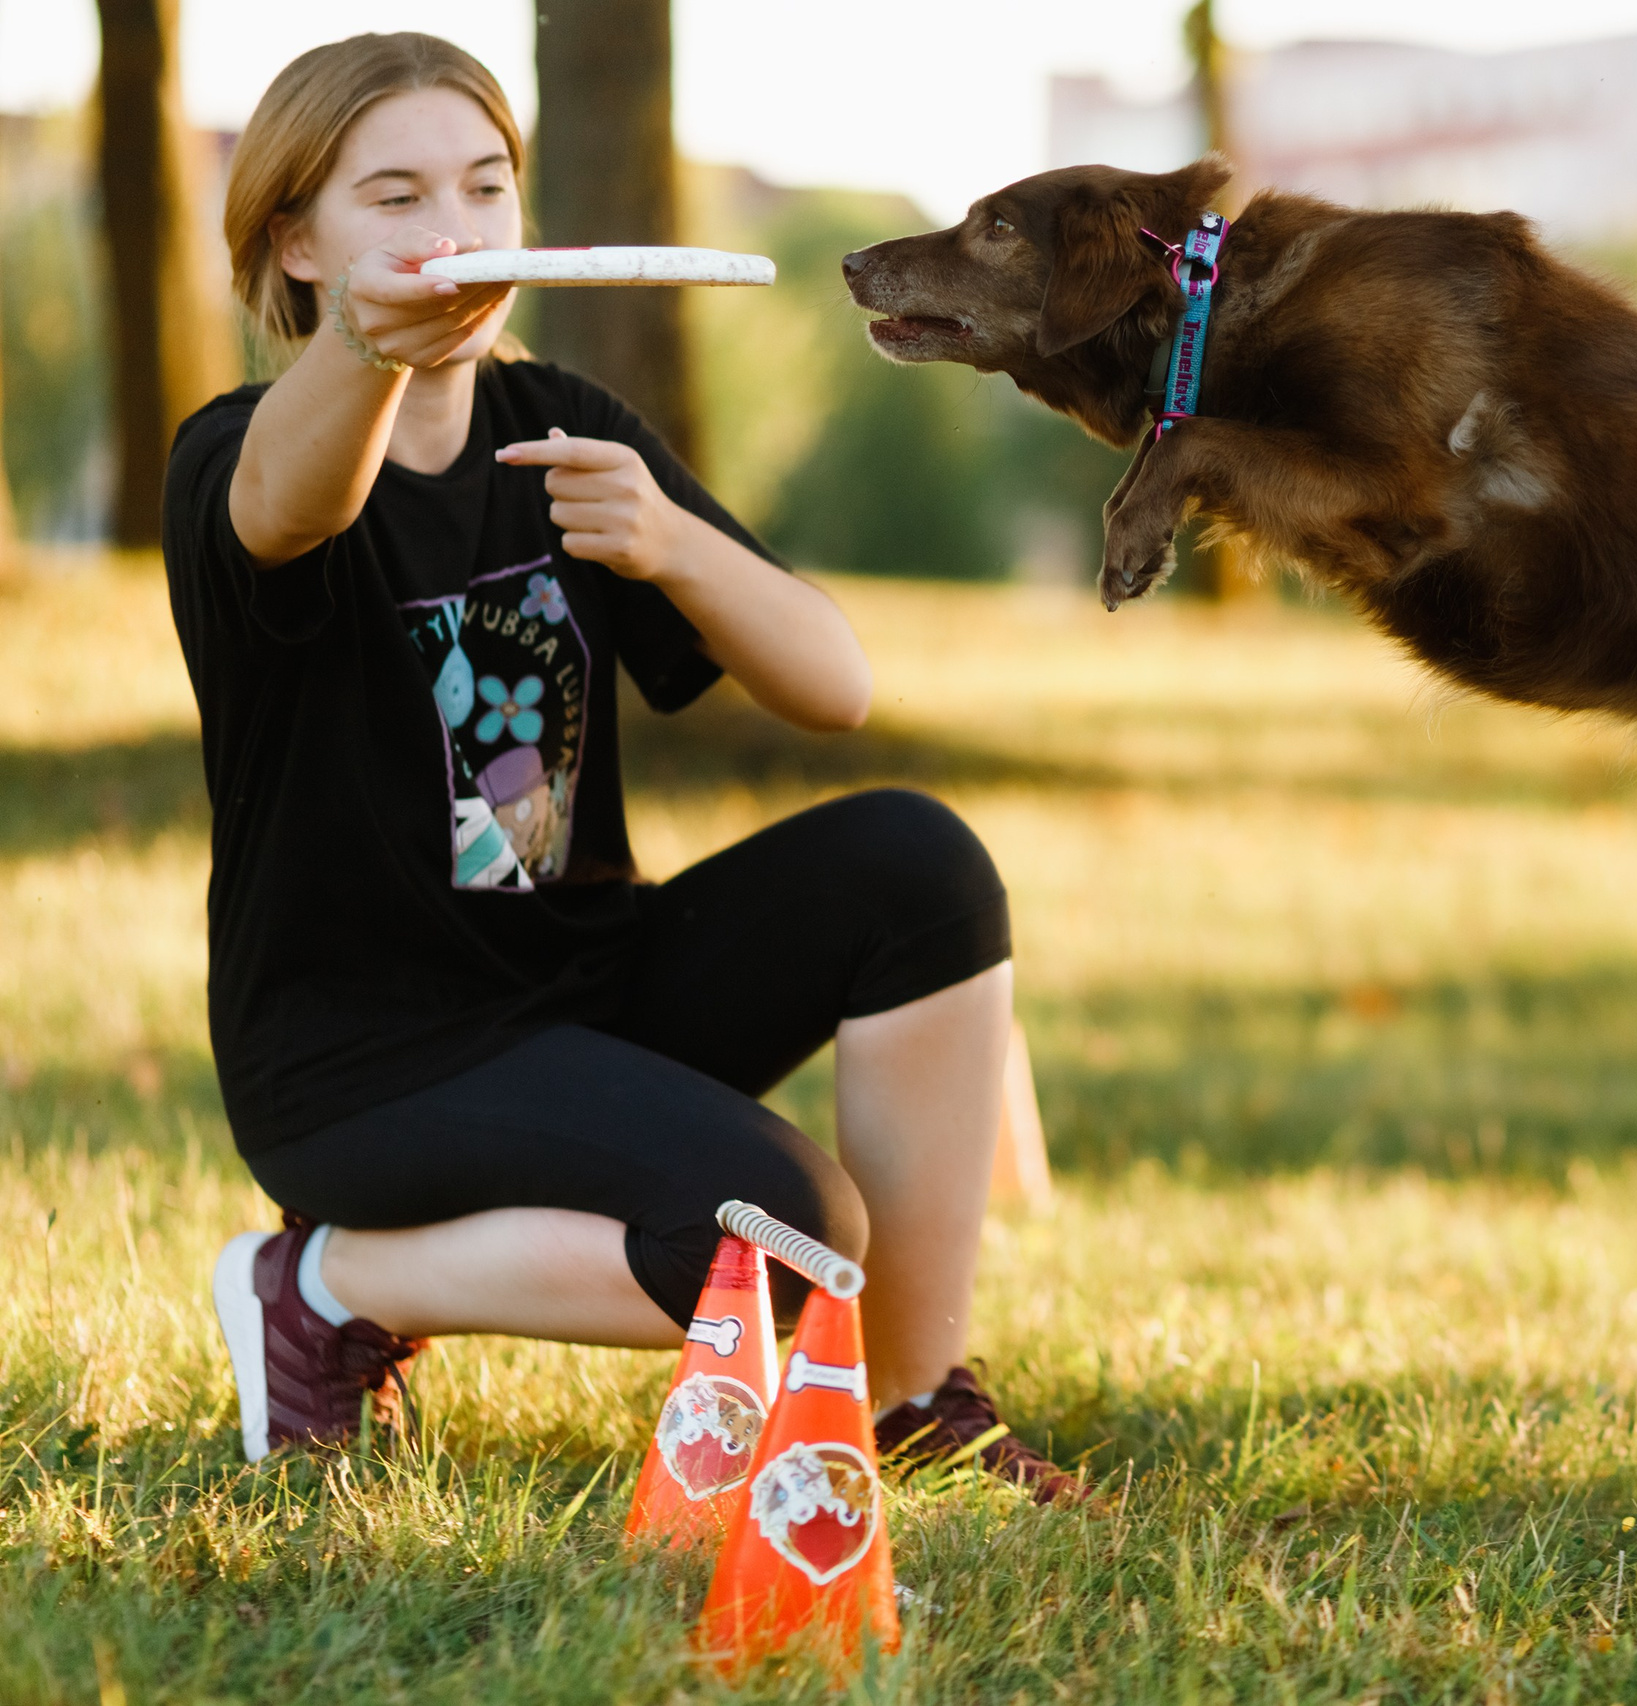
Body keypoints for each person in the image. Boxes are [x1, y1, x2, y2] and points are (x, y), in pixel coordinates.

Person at [172, 32, 1080, 1502]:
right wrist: (365, 340)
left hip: (580, 997)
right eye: (392, 199)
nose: (450, 232)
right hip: (363, 1063)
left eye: (483, 188)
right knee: (789, 1238)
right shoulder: (234, 456)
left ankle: (907, 1400)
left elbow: (833, 684)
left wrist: (672, 544)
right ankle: (329, 1284)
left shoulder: (564, 428)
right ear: (296, 237)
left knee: (920, 863)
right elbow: (288, 504)